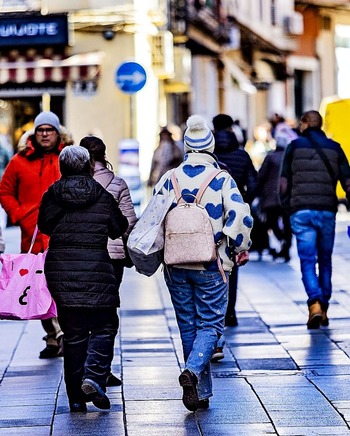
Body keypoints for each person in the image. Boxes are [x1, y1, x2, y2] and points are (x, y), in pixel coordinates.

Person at [153, 114, 253, 411]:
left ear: (186, 146)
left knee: (187, 325)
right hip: (212, 263)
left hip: (176, 264)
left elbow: (154, 220)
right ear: (210, 146)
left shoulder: (169, 178)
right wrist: (239, 247)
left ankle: (200, 392)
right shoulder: (221, 178)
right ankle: (193, 372)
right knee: (210, 324)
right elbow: (240, 218)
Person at [37, 145, 128, 412]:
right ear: (88, 166)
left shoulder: (53, 193)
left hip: (61, 271)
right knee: (105, 325)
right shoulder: (101, 194)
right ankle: (94, 376)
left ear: (62, 168)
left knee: (73, 334)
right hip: (97, 270)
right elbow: (118, 228)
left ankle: (76, 398)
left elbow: (44, 226)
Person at [0, 111, 73, 359]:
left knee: (60, 285)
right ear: (34, 134)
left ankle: (63, 334)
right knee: (36, 286)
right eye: (40, 130)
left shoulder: (67, 158)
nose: (44, 134)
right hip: (31, 236)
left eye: (49, 130)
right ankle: (53, 337)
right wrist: (20, 214)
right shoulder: (19, 161)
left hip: (62, 235)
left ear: (57, 133)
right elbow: (5, 191)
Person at [280, 110, 350, 329]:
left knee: (308, 260)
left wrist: (287, 208)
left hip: (300, 212)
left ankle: (314, 304)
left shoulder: (293, 147)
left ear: (304, 124)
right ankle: (324, 306)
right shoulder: (335, 148)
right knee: (325, 259)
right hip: (327, 211)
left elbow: (283, 184)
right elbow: (348, 183)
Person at [79, 135, 137, 386]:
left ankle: (84, 368)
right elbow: (129, 222)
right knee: (107, 312)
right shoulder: (117, 183)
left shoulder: (73, 183)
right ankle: (101, 368)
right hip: (112, 256)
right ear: (104, 154)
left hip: (82, 255)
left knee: (83, 310)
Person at [211, 113, 257, 362]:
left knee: (210, 263)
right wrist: (244, 198)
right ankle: (230, 312)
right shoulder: (241, 155)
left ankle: (213, 312)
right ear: (231, 127)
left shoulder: (210, 156)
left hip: (211, 215)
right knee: (232, 264)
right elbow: (254, 181)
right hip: (235, 215)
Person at [257, 135, 293, 262]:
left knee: (271, 222)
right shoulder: (290, 157)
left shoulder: (270, 157)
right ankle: (286, 246)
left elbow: (261, 176)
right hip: (287, 196)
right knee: (287, 223)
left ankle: (282, 239)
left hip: (271, 196)